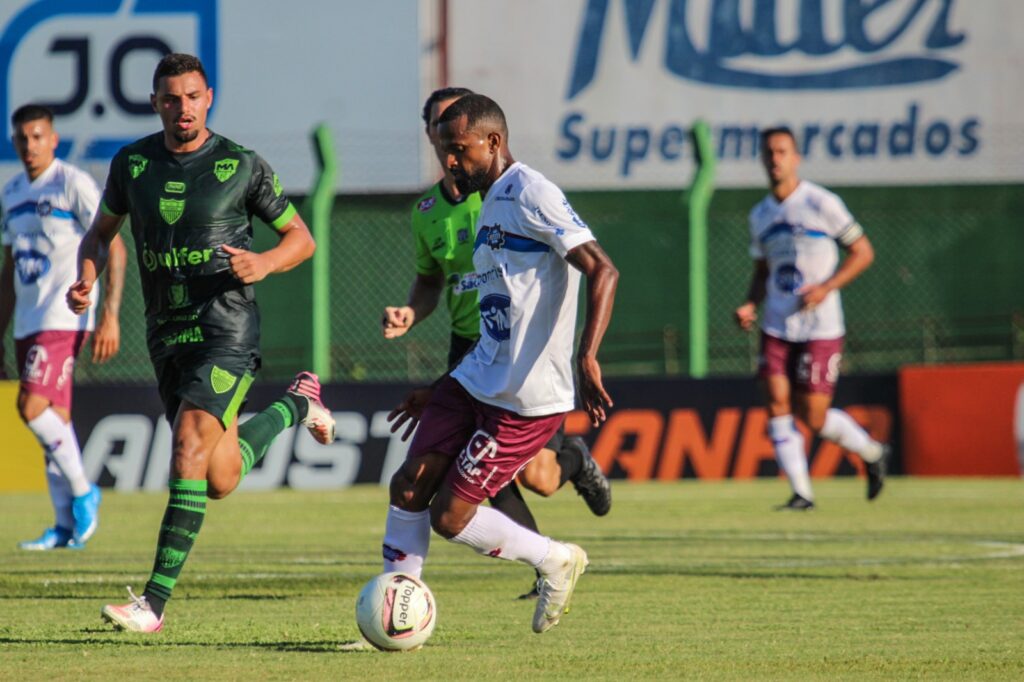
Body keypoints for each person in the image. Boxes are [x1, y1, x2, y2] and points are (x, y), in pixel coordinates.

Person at [67, 53, 336, 633]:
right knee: (219, 478)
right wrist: (87, 279)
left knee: (188, 447)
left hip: (226, 332)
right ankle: (297, 403)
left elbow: (301, 238)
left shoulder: (240, 166)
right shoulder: (132, 163)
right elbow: (99, 234)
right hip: (167, 336)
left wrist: (264, 262)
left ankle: (153, 605)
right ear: (155, 102)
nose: (182, 108)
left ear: (207, 97)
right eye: (171, 98)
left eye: (192, 96)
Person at [381, 93, 619, 633]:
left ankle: (554, 559)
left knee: (449, 517)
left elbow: (602, 269)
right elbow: (500, 315)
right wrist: (441, 384)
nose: (449, 162)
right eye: (444, 150)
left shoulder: (532, 192)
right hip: (474, 377)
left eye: (459, 149)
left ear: (493, 142)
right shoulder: (487, 199)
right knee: (409, 485)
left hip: (523, 396)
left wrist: (587, 355)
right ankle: (397, 621)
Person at [735, 126, 888, 511]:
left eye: (782, 151)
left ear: (796, 157)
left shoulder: (822, 203)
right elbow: (762, 270)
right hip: (776, 322)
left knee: (814, 416)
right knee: (776, 402)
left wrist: (826, 287)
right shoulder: (760, 215)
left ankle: (871, 452)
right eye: (769, 152)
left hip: (821, 326)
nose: (775, 159)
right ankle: (802, 493)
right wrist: (750, 303)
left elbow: (863, 252)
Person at [1, 104, 125, 550]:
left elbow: (112, 245)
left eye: (38, 136)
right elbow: (9, 264)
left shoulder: (72, 183)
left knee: (31, 407)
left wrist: (109, 312)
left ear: (53, 139)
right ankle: (63, 525)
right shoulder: (12, 192)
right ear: (14, 142)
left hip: (64, 315)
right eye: (22, 138)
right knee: (56, 423)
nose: (29, 145)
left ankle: (83, 492)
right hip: (27, 322)